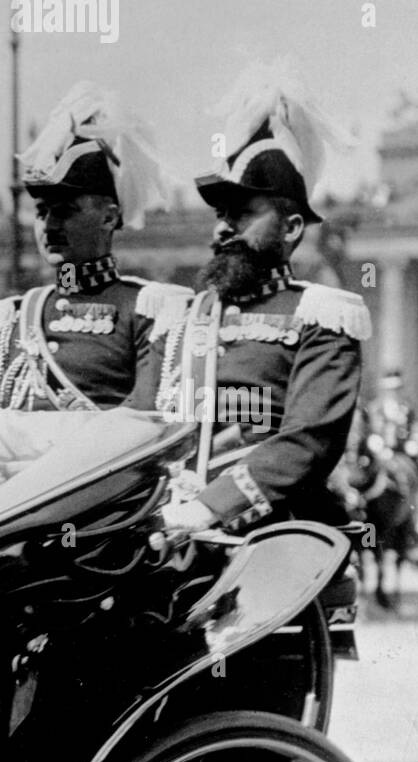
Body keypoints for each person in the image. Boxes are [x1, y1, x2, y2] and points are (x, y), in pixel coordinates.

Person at [133, 64, 372, 533]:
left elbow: (309, 441)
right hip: (165, 527)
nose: (223, 226)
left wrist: (209, 508)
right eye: (220, 213)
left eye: (243, 212)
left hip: (270, 535)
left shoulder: (321, 318)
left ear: (291, 228)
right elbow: (140, 425)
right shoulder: (180, 320)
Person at [0, 83, 191, 411]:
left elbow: (147, 422)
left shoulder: (148, 312)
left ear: (108, 217)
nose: (49, 225)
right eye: (42, 212)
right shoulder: (16, 318)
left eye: (65, 212)